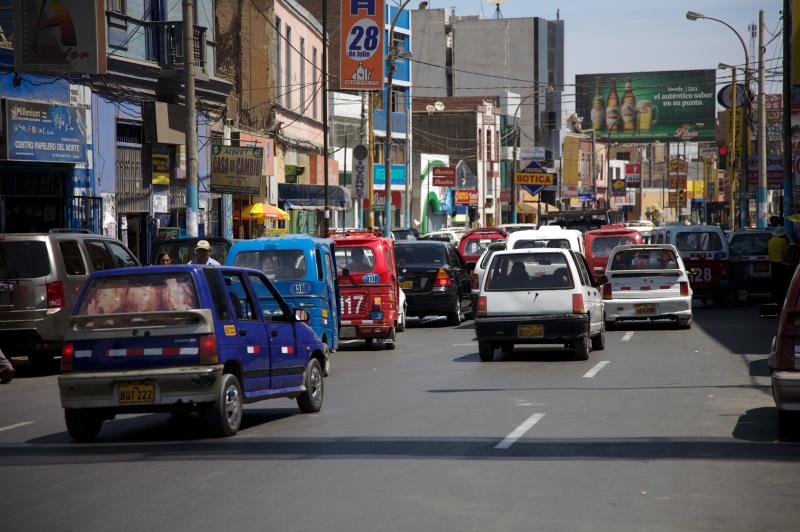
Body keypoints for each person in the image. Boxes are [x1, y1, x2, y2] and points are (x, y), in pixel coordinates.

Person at [769, 227, 790, 304]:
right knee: (782, 283)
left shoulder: (770, 241)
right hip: (781, 264)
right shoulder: (783, 241)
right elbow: (786, 252)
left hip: (773, 263)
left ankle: (774, 298)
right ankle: (781, 299)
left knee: (775, 282)